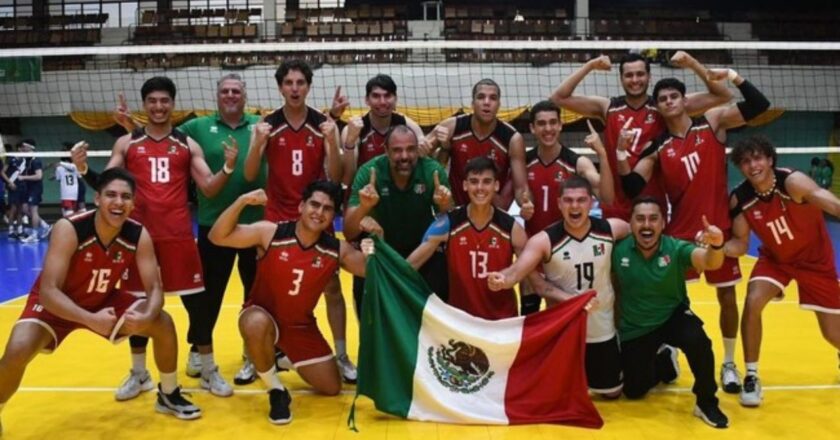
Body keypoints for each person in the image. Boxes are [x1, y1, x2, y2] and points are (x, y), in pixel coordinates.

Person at [71, 76, 238, 400]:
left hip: (176, 236)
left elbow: (208, 186)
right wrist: (82, 170)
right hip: (138, 238)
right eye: (153, 101)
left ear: (172, 105)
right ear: (144, 105)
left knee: (199, 305)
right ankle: (139, 373)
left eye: (164, 101)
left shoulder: (186, 145)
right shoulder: (127, 144)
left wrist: (228, 168)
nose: (159, 107)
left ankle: (207, 368)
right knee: (138, 304)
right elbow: (107, 185)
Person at [0, 168, 201, 436]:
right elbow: (48, 291)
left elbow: (154, 287)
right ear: (97, 199)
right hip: (55, 305)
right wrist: (90, 319)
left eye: (126, 197)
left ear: (133, 203)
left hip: (101, 299)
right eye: (111, 195)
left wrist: (148, 314)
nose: (118, 202)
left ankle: (168, 393)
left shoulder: (137, 234)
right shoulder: (69, 228)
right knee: (17, 351)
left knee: (162, 322)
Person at [618, 71, 770, 393]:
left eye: (674, 96)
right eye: (662, 99)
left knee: (727, 297)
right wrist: (619, 156)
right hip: (680, 235)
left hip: (718, 229)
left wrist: (730, 76)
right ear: (657, 107)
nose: (669, 102)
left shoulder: (712, 121)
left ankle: (729, 364)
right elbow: (633, 186)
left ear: (685, 100)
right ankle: (668, 350)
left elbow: (758, 105)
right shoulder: (658, 145)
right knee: (668, 297)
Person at [208, 181, 373, 425]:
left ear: (333, 216)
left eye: (327, 208)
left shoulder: (336, 249)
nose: (319, 212)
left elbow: (371, 271)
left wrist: (375, 241)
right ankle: (276, 390)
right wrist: (242, 201)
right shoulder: (270, 233)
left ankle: (279, 357)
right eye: (314, 205)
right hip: (263, 316)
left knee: (331, 387)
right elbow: (217, 236)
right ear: (301, 206)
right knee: (255, 323)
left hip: (300, 327)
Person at [243, 59, 357, 383]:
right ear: (280, 87)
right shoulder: (268, 124)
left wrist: (332, 142)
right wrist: (257, 143)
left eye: (300, 83)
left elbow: (334, 177)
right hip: (278, 219)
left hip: (316, 216)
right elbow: (251, 174)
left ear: (308, 87)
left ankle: (342, 354)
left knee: (332, 286)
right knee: (262, 288)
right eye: (289, 83)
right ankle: (253, 354)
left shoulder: (322, 124)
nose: (294, 88)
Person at [486, 176, 630, 398]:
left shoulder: (612, 229)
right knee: (559, 394)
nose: (575, 206)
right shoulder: (544, 240)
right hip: (563, 330)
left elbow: (641, 236)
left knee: (612, 393)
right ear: (559, 203)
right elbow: (517, 273)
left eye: (581, 200)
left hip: (601, 327)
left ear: (591, 203)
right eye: (569, 200)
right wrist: (502, 279)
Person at [724, 136, 840, 407]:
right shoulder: (740, 198)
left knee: (832, 335)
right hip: (777, 260)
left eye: (758, 158)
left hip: (815, 262)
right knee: (753, 302)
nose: (753, 165)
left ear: (770, 159)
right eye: (746, 161)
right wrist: (716, 245)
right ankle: (752, 376)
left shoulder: (792, 182)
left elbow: (830, 203)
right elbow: (740, 245)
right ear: (740, 167)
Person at [551, 51, 732, 220]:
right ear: (621, 78)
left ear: (649, 77)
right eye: (629, 75)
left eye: (640, 74)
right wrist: (590, 65)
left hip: (653, 207)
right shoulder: (608, 107)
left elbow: (723, 96)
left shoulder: (665, 106)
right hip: (616, 206)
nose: (635, 80)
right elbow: (559, 98)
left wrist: (692, 63)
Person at [612, 197, 729, 428]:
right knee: (634, 391)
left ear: (663, 223)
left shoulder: (675, 248)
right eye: (640, 219)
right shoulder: (617, 252)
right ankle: (664, 360)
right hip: (636, 325)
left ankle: (706, 402)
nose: (647, 225)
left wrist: (716, 245)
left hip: (671, 315)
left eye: (653, 219)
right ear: (631, 223)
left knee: (698, 340)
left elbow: (709, 262)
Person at [518, 100, 615, 314]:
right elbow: (515, 193)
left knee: (561, 313)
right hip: (534, 248)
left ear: (561, 125)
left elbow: (606, 197)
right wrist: (522, 204)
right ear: (533, 128)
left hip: (565, 251)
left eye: (553, 122)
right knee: (529, 313)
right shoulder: (524, 162)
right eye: (542, 124)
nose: (548, 129)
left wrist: (603, 153)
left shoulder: (577, 162)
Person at [344, 125, 453, 312]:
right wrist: (364, 207)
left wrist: (444, 205)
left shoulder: (432, 172)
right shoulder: (369, 172)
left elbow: (449, 223)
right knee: (364, 256)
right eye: (397, 150)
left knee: (442, 272)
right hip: (381, 248)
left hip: (420, 249)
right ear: (386, 151)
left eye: (411, 149)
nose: (405, 156)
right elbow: (348, 233)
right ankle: (370, 328)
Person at [407, 156, 526, 319]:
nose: (480, 187)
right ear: (465, 185)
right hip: (461, 323)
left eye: (486, 181)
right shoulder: (447, 223)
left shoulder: (512, 228)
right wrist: (386, 278)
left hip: (502, 322)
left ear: (496, 185)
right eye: (474, 181)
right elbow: (412, 264)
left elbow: (529, 273)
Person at [426, 78, 528, 209]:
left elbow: (521, 188)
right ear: (473, 103)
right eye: (481, 97)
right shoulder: (451, 127)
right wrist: (441, 147)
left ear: (498, 105)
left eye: (492, 98)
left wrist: (526, 203)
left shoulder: (512, 139)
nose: (486, 102)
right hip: (456, 211)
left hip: (492, 214)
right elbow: (419, 153)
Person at [16, 140, 50, 243]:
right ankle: (45, 226)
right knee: (25, 209)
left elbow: (39, 176)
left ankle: (34, 236)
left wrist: (23, 177)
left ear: (31, 148)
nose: (22, 148)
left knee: (34, 211)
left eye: (24, 147)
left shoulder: (35, 160)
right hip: (29, 188)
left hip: (35, 189)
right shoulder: (27, 160)